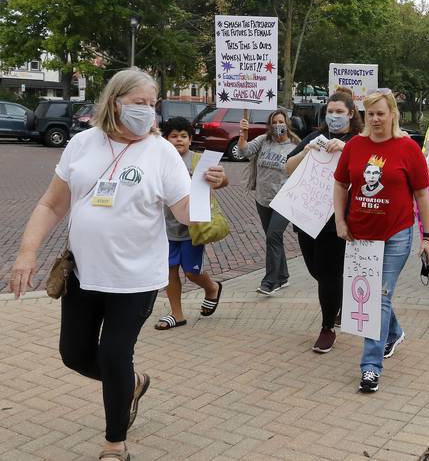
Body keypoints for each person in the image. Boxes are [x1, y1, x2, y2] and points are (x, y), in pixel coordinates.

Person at [8, 68, 226, 461]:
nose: (147, 111)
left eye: (151, 104)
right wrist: (27, 252)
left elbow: (187, 213)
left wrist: (209, 186)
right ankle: (131, 384)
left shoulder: (161, 152)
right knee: (74, 354)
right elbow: (51, 204)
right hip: (83, 274)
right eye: (138, 103)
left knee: (112, 354)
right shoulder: (81, 144)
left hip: (136, 277)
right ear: (114, 102)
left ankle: (115, 443)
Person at [333, 89, 429, 393]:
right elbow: (340, 183)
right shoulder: (355, 146)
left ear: (393, 114)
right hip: (360, 235)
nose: (376, 119)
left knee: (377, 297)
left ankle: (370, 368)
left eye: (381, 113)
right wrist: (340, 220)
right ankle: (394, 332)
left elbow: (422, 195)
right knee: (374, 296)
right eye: (371, 114)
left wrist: (428, 236)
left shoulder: (407, 148)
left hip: (396, 234)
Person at [285, 91, 363, 354]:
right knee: (316, 271)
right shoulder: (314, 138)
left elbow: (369, 170)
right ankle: (337, 300)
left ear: (351, 114)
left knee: (328, 275)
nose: (334, 116)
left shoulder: (359, 141)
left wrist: (347, 149)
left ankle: (327, 326)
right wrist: (305, 152)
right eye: (330, 111)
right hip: (308, 216)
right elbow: (288, 167)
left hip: (336, 220)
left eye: (340, 111)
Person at [155, 117, 227, 330]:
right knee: (169, 271)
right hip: (165, 228)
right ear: (165, 139)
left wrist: (219, 179)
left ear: (190, 139)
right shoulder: (158, 161)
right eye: (174, 136)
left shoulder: (199, 160)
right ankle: (177, 314)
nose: (179, 140)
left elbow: (223, 181)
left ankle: (212, 288)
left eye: (184, 136)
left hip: (192, 228)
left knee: (191, 272)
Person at [238, 109, 300, 295]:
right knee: (273, 238)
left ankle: (270, 281)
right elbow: (243, 152)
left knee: (273, 235)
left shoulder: (296, 145)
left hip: (285, 200)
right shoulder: (264, 141)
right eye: (274, 122)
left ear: (287, 123)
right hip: (263, 199)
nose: (278, 125)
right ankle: (283, 276)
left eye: (281, 121)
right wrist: (243, 134)